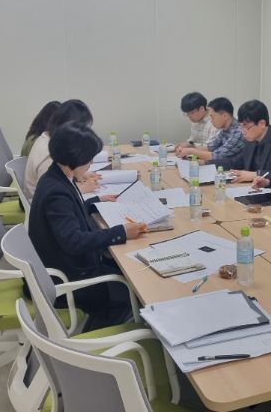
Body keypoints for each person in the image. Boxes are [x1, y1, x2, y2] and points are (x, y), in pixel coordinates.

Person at [28, 121, 146, 329]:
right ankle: (102, 326)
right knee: (137, 287)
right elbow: (74, 241)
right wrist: (120, 232)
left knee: (127, 269)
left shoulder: (56, 176)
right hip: (69, 279)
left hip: (63, 265)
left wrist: (93, 203)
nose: (91, 163)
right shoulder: (56, 192)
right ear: (74, 158)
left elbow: (68, 212)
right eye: (88, 159)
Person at [216, 99, 271, 192]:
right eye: (240, 126)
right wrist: (207, 164)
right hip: (253, 190)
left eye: (246, 126)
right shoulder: (250, 140)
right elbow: (236, 161)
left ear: (262, 124)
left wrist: (256, 174)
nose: (243, 131)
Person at [24, 99, 100, 199]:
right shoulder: (49, 155)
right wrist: (82, 188)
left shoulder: (48, 137)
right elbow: (50, 195)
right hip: (43, 205)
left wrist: (78, 173)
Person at [175, 97, 244, 165]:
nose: (210, 120)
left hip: (234, 169)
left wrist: (191, 151)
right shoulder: (224, 130)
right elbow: (210, 147)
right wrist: (186, 149)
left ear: (225, 116)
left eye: (212, 116)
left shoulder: (238, 132)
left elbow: (216, 156)